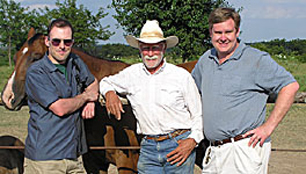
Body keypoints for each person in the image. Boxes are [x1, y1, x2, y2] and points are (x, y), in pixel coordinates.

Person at [191, 7, 300, 174]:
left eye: (228, 32)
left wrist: (268, 127)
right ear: (210, 33)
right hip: (213, 150)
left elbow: (290, 86)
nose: (223, 38)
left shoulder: (256, 59)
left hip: (243, 149)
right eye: (218, 32)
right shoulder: (206, 60)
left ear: (237, 32)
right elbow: (192, 92)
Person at [99, 20, 204, 173]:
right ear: (139, 49)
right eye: (145, 48)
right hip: (148, 146)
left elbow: (198, 114)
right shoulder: (132, 74)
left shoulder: (181, 76)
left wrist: (192, 141)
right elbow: (105, 81)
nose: (150, 53)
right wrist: (109, 93)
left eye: (155, 48)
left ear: (164, 47)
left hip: (178, 142)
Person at [24, 19, 99, 174]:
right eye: (56, 41)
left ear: (72, 42)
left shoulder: (75, 62)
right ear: (47, 41)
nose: (62, 46)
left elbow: (93, 82)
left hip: (74, 158)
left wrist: (91, 100)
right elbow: (60, 108)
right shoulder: (36, 72)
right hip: (46, 161)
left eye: (67, 41)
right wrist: (85, 97)